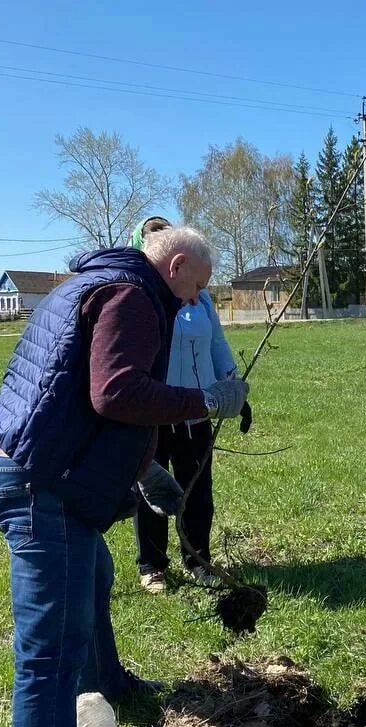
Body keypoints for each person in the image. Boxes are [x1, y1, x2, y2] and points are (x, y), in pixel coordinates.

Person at [0, 225, 250, 727]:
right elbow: (117, 392)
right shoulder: (132, 296)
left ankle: (111, 685)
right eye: (197, 287)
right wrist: (202, 400)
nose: (197, 300)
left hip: (52, 473)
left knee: (95, 580)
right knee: (49, 656)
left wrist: (142, 467)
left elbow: (77, 392)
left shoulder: (103, 282)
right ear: (175, 265)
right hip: (42, 487)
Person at [127, 217, 251, 594]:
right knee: (152, 489)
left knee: (198, 489)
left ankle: (198, 558)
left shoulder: (201, 298)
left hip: (198, 408)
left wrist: (236, 390)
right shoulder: (139, 294)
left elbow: (216, 343)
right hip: (153, 409)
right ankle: (152, 565)